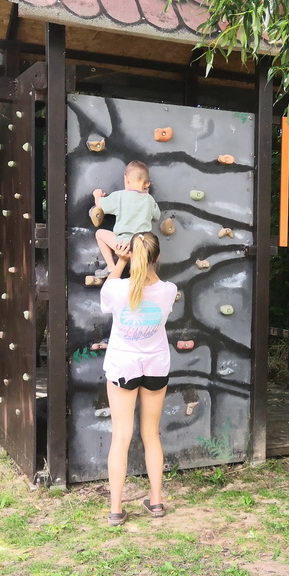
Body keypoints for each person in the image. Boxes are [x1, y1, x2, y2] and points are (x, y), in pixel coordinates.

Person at [99, 231, 177, 525]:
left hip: (123, 367)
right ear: (158, 257)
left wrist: (120, 262)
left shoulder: (117, 289)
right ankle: (155, 502)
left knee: (121, 436)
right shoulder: (169, 290)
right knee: (151, 435)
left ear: (132, 255)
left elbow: (106, 297)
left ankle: (116, 509)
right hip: (155, 367)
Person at [90, 160, 161, 276]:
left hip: (122, 244)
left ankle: (111, 267)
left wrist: (97, 195)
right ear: (147, 184)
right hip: (142, 246)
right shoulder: (149, 199)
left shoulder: (120, 196)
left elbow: (100, 205)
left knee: (99, 234)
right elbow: (157, 216)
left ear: (126, 180)